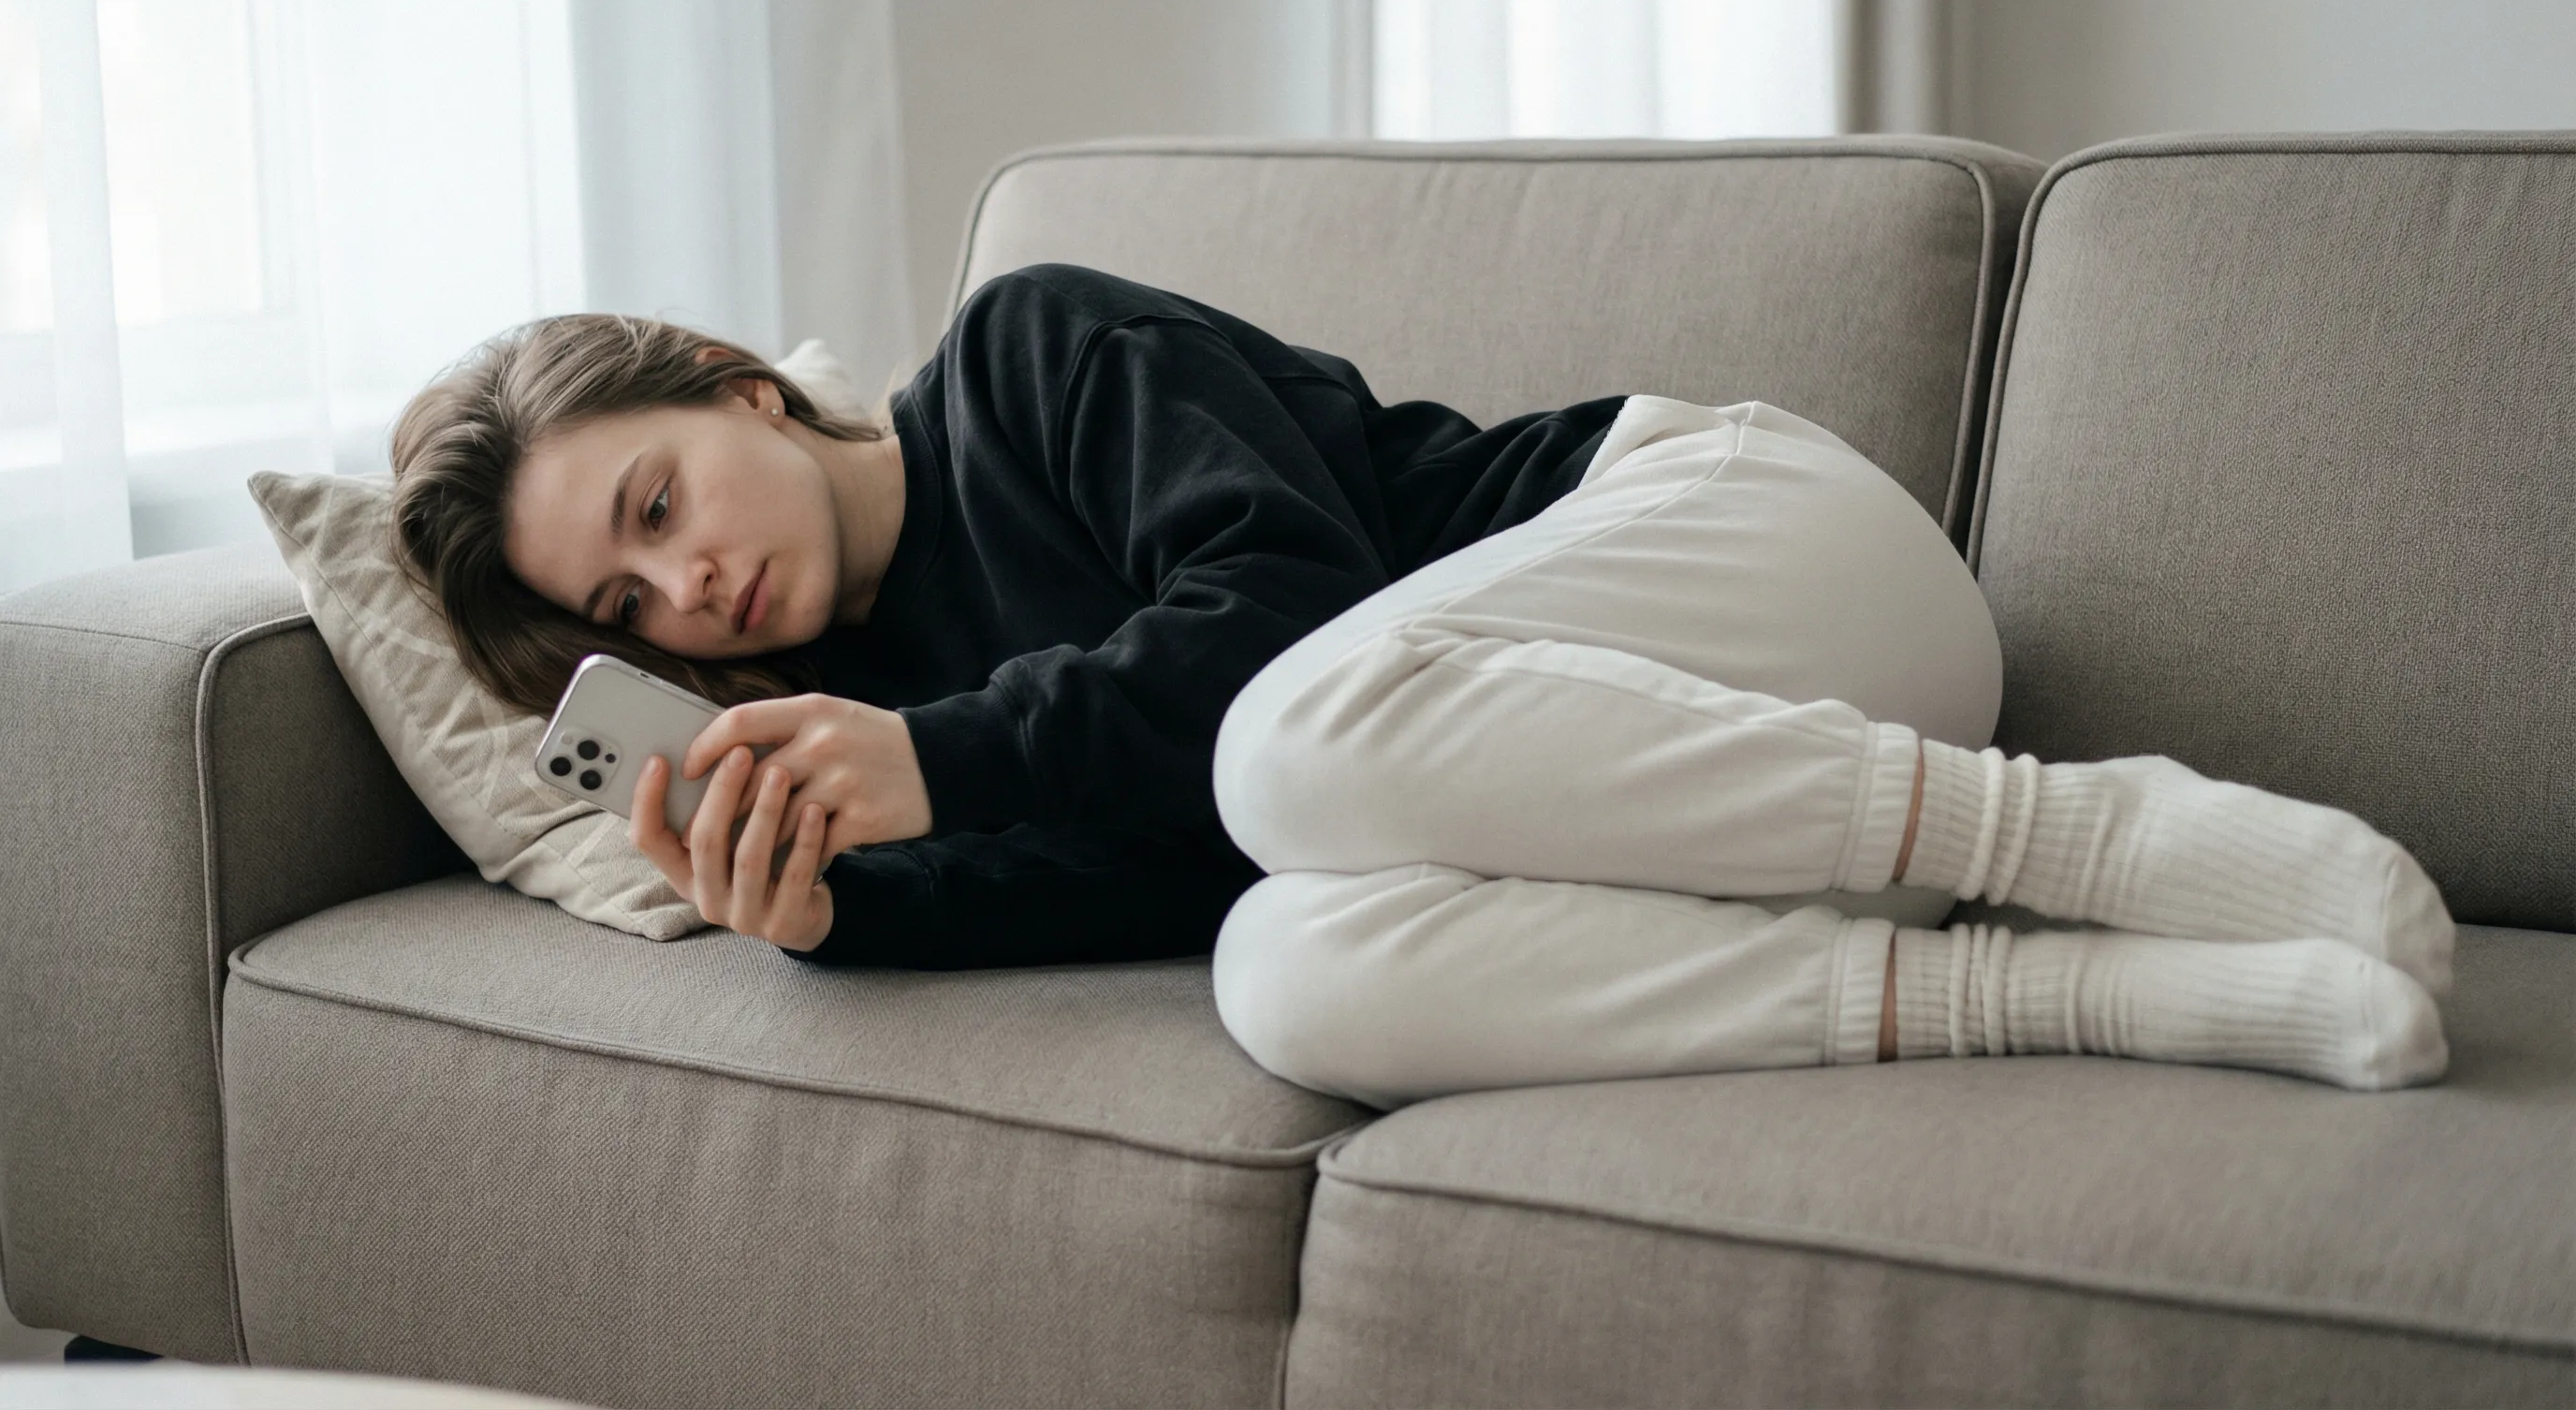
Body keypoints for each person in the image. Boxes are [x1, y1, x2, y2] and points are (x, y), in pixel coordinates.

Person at [388, 263, 2453, 1110]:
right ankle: (2086, 993)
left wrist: (933, 764)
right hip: (1687, 820)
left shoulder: (1025, 358)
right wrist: (839, 911)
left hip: (1755, 556)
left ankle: (2090, 831)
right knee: (1283, 977)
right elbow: (1175, 871)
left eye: (658, 501)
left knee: (1286, 724)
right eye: (634, 604)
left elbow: (1287, 600)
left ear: (736, 386)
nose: (691, 584)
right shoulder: (875, 711)